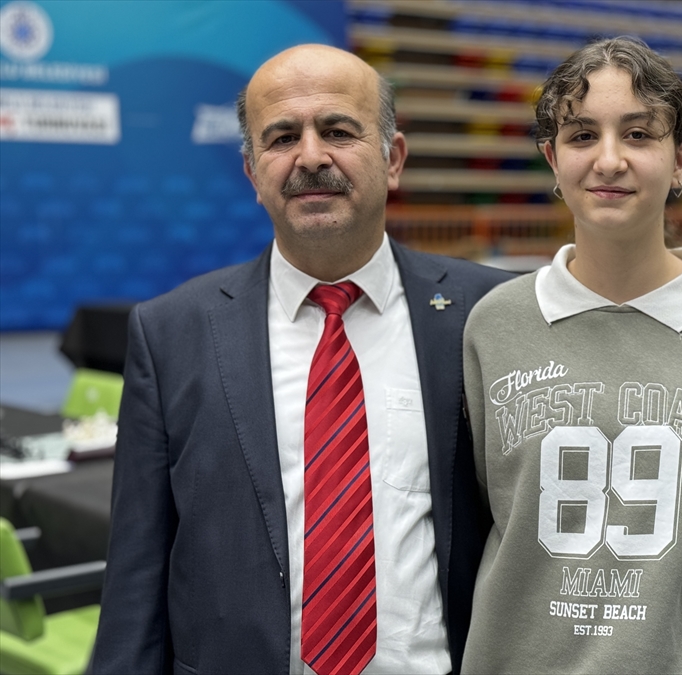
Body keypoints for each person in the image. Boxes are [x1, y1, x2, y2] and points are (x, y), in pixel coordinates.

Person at [90, 44, 513, 674]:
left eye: (338, 131)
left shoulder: (488, 313)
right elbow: (136, 570)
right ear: (252, 172)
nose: (311, 157)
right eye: (283, 137)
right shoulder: (170, 333)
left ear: (393, 159)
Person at [460, 37, 682, 674]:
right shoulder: (495, 324)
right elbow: (490, 511)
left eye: (639, 134)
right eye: (582, 135)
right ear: (552, 158)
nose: (609, 159)